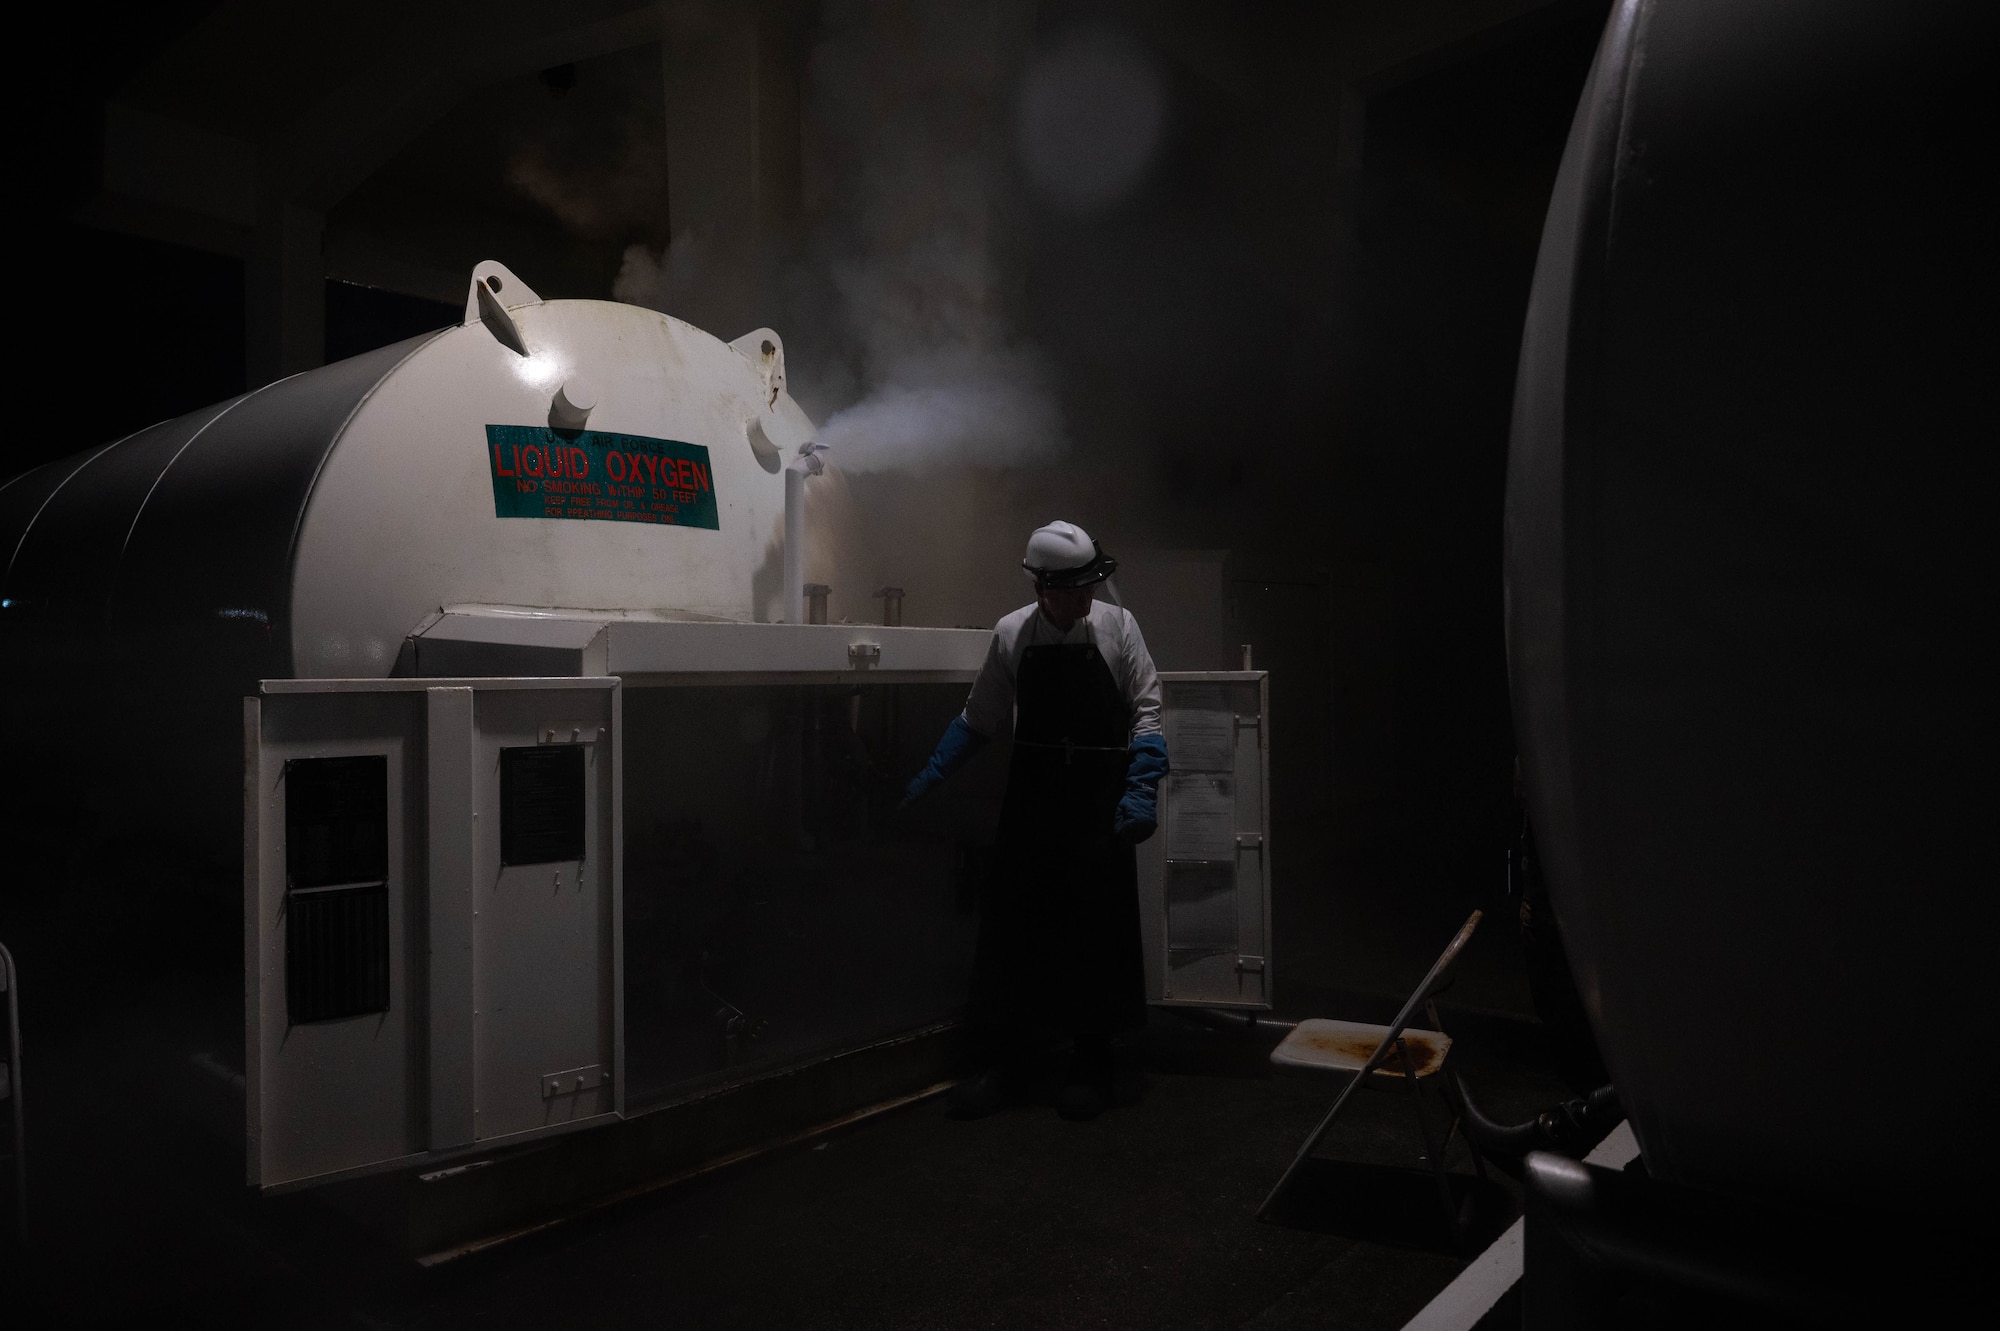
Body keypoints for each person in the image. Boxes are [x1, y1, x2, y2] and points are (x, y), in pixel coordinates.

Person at [901, 520, 1170, 1120]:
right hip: (1035, 796)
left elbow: (1147, 713)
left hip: (1099, 800)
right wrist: (930, 776)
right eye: (1074, 588)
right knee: (1015, 927)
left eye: (1091, 585)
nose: (1087, 597)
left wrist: (1141, 789)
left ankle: (1093, 1060)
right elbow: (979, 719)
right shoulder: (1012, 634)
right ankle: (1006, 1065)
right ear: (1042, 588)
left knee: (1095, 926)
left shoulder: (1118, 627)